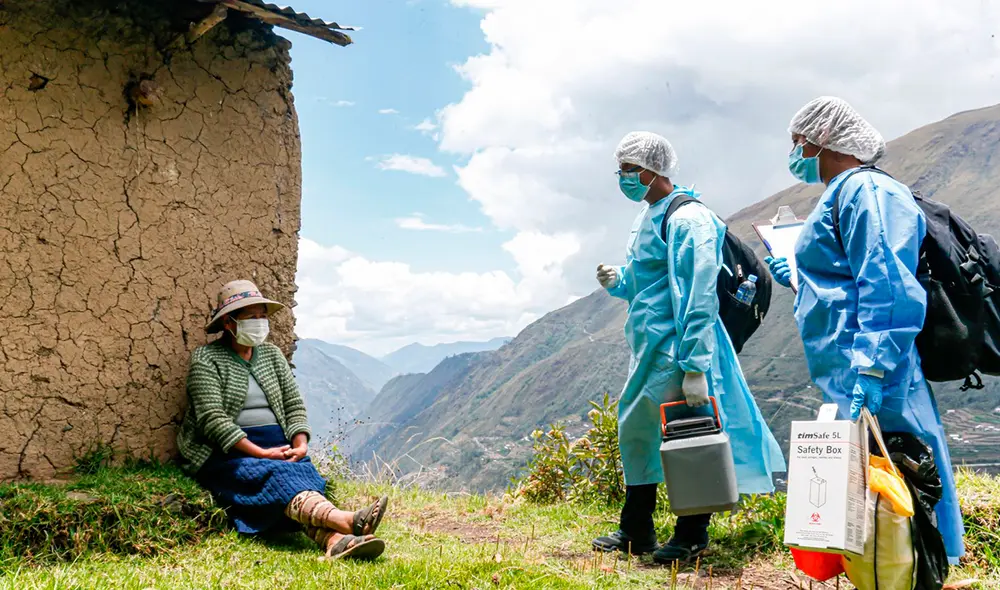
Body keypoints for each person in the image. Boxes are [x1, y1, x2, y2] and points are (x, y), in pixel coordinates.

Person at [766, 96, 965, 564]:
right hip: (848, 358)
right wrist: (798, 277)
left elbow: (888, 282)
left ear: (824, 141)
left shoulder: (867, 193)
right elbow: (844, 279)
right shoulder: (843, 193)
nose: (796, 153)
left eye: (799, 143)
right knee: (877, 482)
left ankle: (926, 566)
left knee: (906, 469)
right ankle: (883, 566)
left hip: (877, 363)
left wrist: (874, 365)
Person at [592, 132, 786, 564]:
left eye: (627, 168)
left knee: (691, 436)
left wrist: (696, 364)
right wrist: (619, 282)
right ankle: (636, 528)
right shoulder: (651, 215)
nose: (621, 176)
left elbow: (698, 293)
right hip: (650, 347)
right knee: (637, 431)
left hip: (681, 348)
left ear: (650, 169)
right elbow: (652, 285)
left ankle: (691, 533)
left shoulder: (689, 219)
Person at [176, 279, 389, 560]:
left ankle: (336, 542)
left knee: (300, 473)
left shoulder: (272, 356)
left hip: (279, 445)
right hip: (227, 452)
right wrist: (261, 453)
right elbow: (212, 419)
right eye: (251, 317)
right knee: (274, 475)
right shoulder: (208, 358)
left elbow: (293, 405)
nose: (260, 322)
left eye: (262, 315)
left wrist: (299, 444)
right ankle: (348, 522)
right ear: (228, 322)